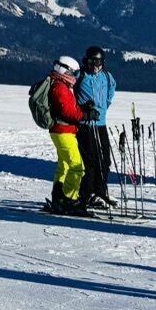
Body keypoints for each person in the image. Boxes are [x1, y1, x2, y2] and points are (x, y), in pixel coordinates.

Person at [43, 56, 87, 214]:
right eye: (74, 73)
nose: (75, 76)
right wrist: (84, 114)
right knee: (77, 167)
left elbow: (68, 107)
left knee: (64, 165)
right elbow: (67, 110)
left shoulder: (59, 84)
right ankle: (69, 200)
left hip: (61, 130)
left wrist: (82, 109)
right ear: (66, 71)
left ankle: (58, 197)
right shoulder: (60, 87)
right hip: (64, 131)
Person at [75, 45, 117, 210]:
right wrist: (82, 109)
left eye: (98, 62)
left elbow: (112, 87)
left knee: (105, 160)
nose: (94, 66)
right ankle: (86, 194)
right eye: (91, 62)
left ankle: (101, 192)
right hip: (86, 126)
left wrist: (106, 104)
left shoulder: (106, 76)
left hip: (101, 124)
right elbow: (70, 95)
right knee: (90, 161)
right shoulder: (80, 76)